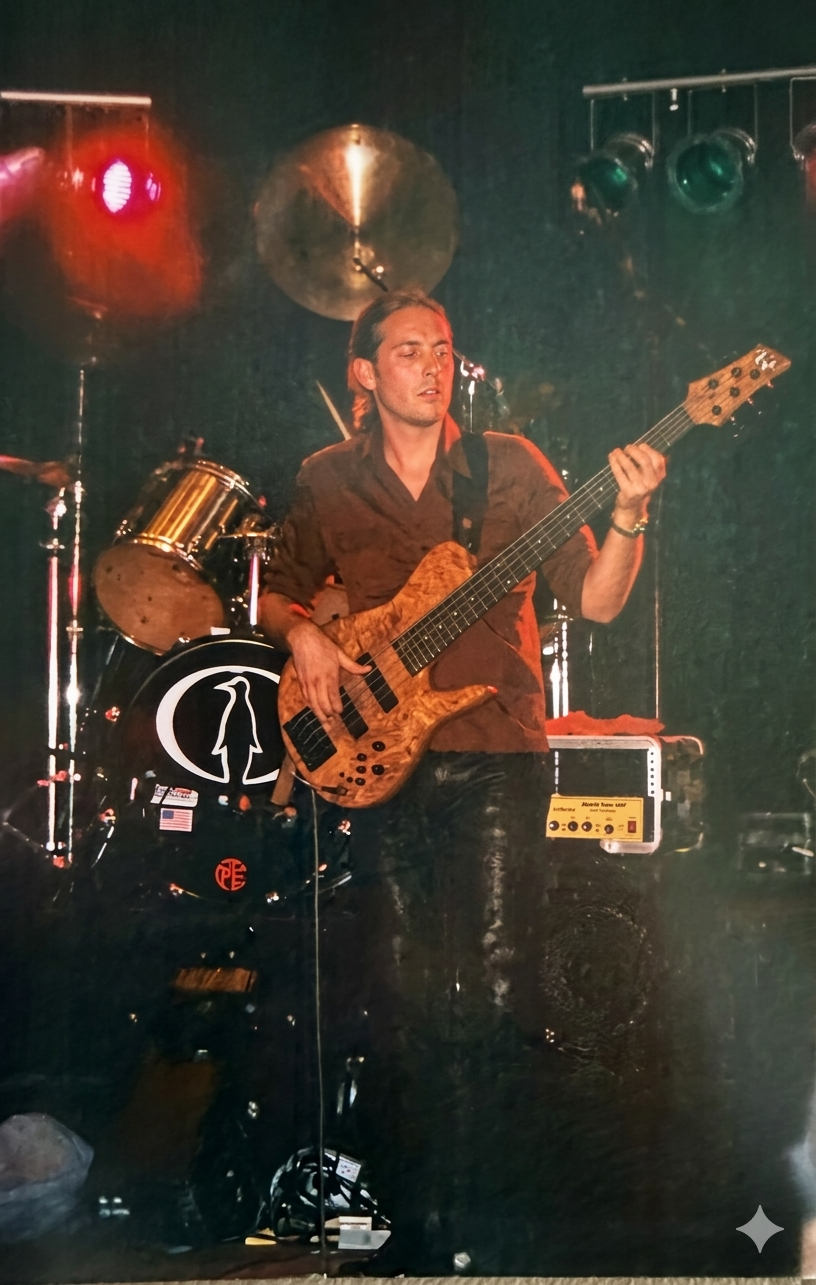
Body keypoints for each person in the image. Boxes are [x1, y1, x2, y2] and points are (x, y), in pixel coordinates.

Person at [260, 288, 666, 1271]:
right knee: (401, 997)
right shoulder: (325, 476)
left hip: (493, 748)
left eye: (441, 349)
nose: (431, 366)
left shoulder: (510, 465)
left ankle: (489, 1221)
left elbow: (596, 601)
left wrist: (630, 515)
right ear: (364, 373)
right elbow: (271, 589)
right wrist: (304, 633)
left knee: (495, 986)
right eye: (407, 351)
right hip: (375, 760)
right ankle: (413, 1220)